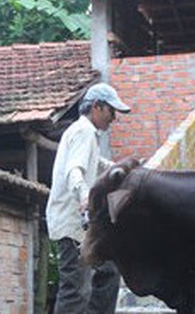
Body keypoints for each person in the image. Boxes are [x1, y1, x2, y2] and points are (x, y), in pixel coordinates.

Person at [46, 82, 131, 314]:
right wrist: (85, 197)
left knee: (108, 271)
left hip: (78, 226)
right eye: (111, 111)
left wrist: (125, 168)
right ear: (97, 107)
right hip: (72, 224)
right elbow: (75, 170)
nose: (114, 118)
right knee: (75, 290)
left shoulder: (86, 134)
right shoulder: (83, 131)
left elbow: (98, 163)